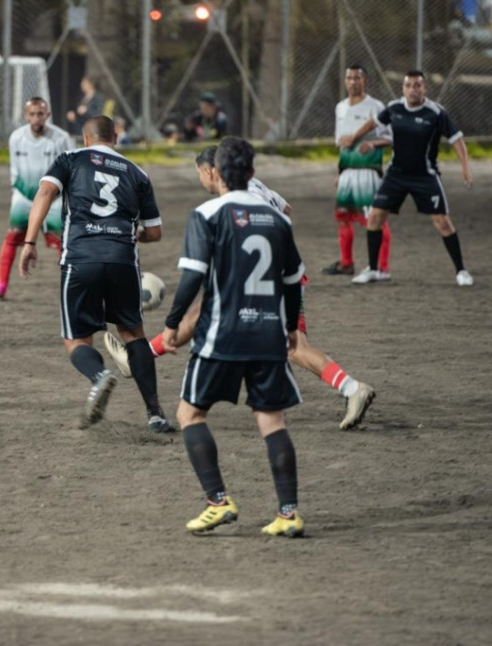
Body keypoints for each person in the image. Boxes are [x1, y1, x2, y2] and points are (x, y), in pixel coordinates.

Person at [104, 146, 376, 431]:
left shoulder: (224, 204)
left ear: (212, 172)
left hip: (263, 277)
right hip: (282, 272)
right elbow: (286, 210)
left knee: (274, 341)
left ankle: (351, 387)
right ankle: (352, 388)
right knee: (226, 321)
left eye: (199, 174)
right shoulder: (254, 186)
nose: (201, 180)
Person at [162, 137, 306, 538]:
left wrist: (173, 323)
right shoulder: (278, 219)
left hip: (222, 335)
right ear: (253, 173)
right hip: (267, 334)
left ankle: (218, 501)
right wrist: (292, 327)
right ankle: (289, 513)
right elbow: (293, 282)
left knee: (190, 414)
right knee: (272, 421)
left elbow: (192, 275)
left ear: (217, 172)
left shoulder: (206, 213)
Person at [19, 116, 173, 433]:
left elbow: (45, 194)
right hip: (122, 261)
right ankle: (155, 413)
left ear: (86, 139)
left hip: (80, 258)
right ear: (115, 138)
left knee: (76, 339)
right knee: (134, 335)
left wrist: (30, 241)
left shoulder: (71, 159)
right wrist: (130, 234)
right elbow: (155, 232)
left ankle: (99, 375)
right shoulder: (137, 172)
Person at [339, 70, 474, 286]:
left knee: (443, 223)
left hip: (425, 176)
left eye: (418, 85)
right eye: (409, 85)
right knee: (374, 217)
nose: (413, 89)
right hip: (396, 174)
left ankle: (461, 271)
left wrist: (465, 169)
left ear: (425, 88)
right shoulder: (394, 108)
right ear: (403, 88)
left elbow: (457, 140)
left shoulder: (436, 113)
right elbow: (373, 122)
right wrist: (354, 137)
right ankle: (375, 270)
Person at [0, 97, 73, 299]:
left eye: (40, 114)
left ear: (48, 115)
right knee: (12, 237)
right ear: (26, 116)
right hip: (24, 197)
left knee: (65, 241)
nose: (36, 118)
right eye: (32, 114)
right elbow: (14, 169)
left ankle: (71, 287)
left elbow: (71, 169)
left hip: (54, 198)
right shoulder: (16, 137)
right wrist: (18, 190)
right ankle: (1, 285)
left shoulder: (62, 138)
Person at [322, 65, 392, 277]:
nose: (353, 82)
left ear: (365, 81)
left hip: (368, 171)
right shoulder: (340, 107)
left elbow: (389, 138)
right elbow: (342, 144)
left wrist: (372, 145)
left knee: (375, 219)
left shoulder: (376, 107)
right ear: (345, 81)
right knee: (343, 217)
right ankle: (346, 263)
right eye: (349, 78)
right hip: (348, 172)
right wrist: (340, 172)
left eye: (357, 78)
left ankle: (382, 266)